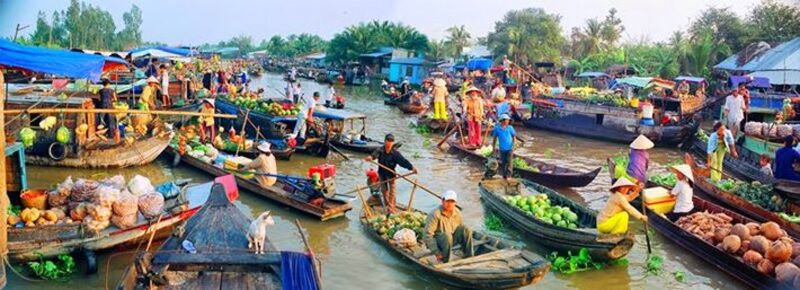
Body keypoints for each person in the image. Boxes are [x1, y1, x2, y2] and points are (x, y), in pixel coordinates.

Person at [365, 134, 416, 214]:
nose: (389, 144)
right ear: (385, 142)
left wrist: (412, 168)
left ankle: (392, 207)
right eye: (387, 142)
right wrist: (370, 157)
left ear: (393, 143)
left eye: (391, 143)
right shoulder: (380, 150)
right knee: (384, 191)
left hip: (391, 174)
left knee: (392, 192)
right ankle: (388, 206)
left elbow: (403, 162)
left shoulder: (395, 154)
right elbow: (374, 155)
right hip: (382, 174)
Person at [423, 190, 473, 263]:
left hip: (451, 240)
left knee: (466, 229)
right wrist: (436, 252)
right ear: (442, 201)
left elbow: (460, 230)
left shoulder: (457, 212)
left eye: (452, 201)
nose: (449, 204)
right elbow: (427, 235)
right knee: (447, 235)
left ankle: (469, 256)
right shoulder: (434, 214)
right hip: (439, 242)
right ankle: (446, 261)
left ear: (455, 203)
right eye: (447, 201)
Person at [492, 114, 516, 180]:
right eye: (506, 120)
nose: (507, 121)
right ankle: (504, 175)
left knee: (509, 162)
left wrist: (513, 145)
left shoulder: (510, 128)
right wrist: (493, 148)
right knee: (503, 162)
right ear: (502, 121)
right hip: (502, 148)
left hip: (510, 148)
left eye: (508, 120)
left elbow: (514, 137)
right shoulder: (497, 129)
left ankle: (509, 176)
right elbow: (494, 139)